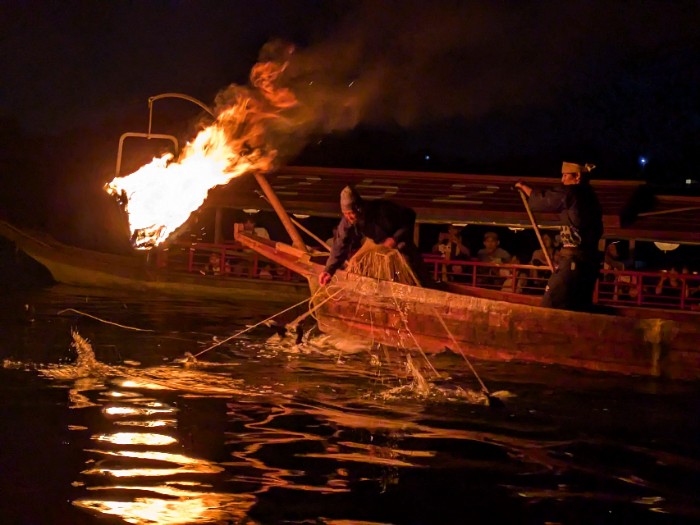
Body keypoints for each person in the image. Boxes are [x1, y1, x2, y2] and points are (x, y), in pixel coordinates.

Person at [514, 162, 603, 311]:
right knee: (578, 304)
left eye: (565, 175)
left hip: (574, 261)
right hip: (590, 262)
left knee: (551, 302)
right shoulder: (592, 196)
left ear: (577, 176)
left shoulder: (572, 193)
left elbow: (543, 200)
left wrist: (523, 187)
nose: (562, 180)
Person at [319, 186, 424, 286]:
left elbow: (410, 216)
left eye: (350, 213)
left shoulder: (382, 210)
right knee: (359, 264)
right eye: (345, 214)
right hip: (378, 246)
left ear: (359, 209)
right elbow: (340, 245)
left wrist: (395, 238)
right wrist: (328, 271)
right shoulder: (347, 221)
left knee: (407, 261)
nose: (348, 217)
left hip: (399, 243)